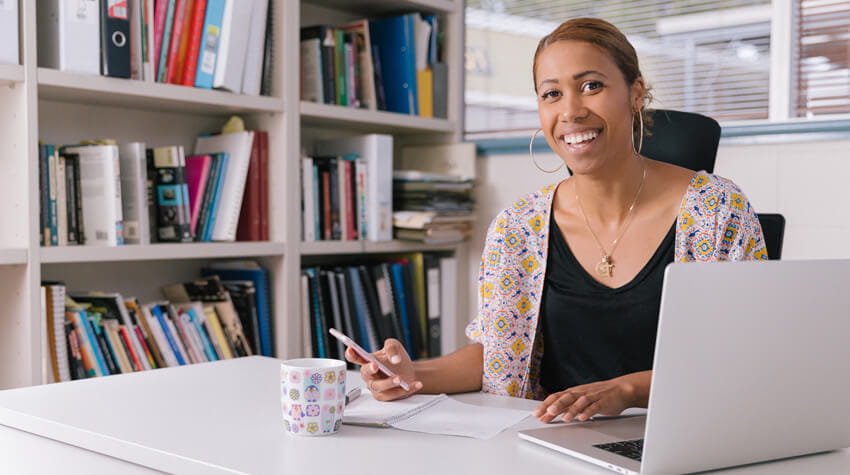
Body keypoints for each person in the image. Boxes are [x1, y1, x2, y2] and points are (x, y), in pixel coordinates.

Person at [345, 18, 767, 424]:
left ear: (635, 93)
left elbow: (738, 358)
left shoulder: (716, 210)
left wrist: (627, 391)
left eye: (591, 86)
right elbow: (500, 354)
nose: (571, 111)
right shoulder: (518, 227)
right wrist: (413, 374)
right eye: (552, 94)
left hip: (679, 437)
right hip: (551, 438)